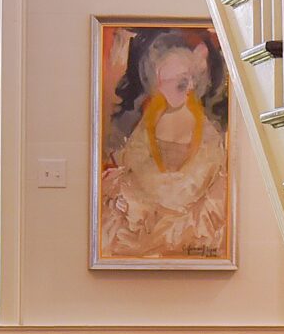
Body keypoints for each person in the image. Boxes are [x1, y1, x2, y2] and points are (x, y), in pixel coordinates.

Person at [98, 29, 230, 262]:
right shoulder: (151, 119)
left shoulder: (204, 128)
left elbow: (207, 168)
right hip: (148, 207)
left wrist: (171, 196)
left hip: (186, 212)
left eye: (184, 81)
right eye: (168, 83)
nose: (184, 87)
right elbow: (135, 161)